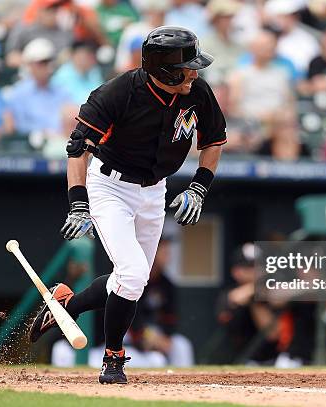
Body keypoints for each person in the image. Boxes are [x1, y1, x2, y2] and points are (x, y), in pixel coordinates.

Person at [28, 26, 226, 384]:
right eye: (188, 67)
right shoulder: (117, 93)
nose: (195, 73)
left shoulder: (196, 91)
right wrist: (78, 204)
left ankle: (63, 305)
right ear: (165, 70)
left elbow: (213, 140)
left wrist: (199, 187)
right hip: (109, 186)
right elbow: (77, 150)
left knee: (133, 281)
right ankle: (113, 358)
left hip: (154, 189)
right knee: (132, 274)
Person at [227, 30, 300, 159]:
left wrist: (281, 116)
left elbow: (290, 105)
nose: (270, 49)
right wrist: (262, 117)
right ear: (253, 49)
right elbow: (233, 109)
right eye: (265, 46)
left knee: (287, 132)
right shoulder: (240, 75)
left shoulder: (282, 74)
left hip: (278, 124)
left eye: (272, 45)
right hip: (250, 125)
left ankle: (288, 174)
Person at [130, 238, 195, 367]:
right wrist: (144, 335)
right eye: (164, 251)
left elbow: (170, 318)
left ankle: (185, 385)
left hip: (156, 332)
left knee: (182, 346)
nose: (168, 255)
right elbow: (127, 316)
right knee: (156, 360)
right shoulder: (133, 279)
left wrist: (165, 337)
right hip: (126, 336)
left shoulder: (166, 284)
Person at [216, 243, 280, 365]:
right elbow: (235, 299)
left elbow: (272, 334)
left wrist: (254, 296)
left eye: (260, 265)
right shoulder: (227, 295)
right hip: (237, 361)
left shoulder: (270, 289)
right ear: (236, 272)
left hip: (274, 360)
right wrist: (252, 292)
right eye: (250, 267)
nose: (257, 271)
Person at [6, 38, 74, 135]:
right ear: (30, 65)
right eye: (41, 63)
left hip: (62, 142)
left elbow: (70, 119)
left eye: (48, 62)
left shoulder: (62, 90)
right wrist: (42, 132)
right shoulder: (18, 93)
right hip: (33, 146)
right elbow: (19, 125)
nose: (46, 67)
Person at [5, 0, 74, 67]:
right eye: (50, 10)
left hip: (58, 74)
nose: (54, 14)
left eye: (56, 9)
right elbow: (11, 58)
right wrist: (35, 61)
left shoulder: (65, 32)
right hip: (31, 74)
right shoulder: (25, 28)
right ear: (39, 11)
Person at [263, 0, 319, 76]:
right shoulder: (264, 38)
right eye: (281, 16)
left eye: (289, 16)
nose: (284, 20)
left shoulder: (307, 39)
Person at [200, 0, 244, 86]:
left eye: (231, 17)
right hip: (215, 87)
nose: (230, 21)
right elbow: (205, 71)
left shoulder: (239, 43)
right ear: (215, 19)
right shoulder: (205, 43)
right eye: (225, 17)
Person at [52, 41, 104, 105]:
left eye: (91, 54)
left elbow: (101, 96)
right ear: (74, 55)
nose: (90, 58)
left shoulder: (94, 71)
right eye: (86, 55)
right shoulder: (62, 76)